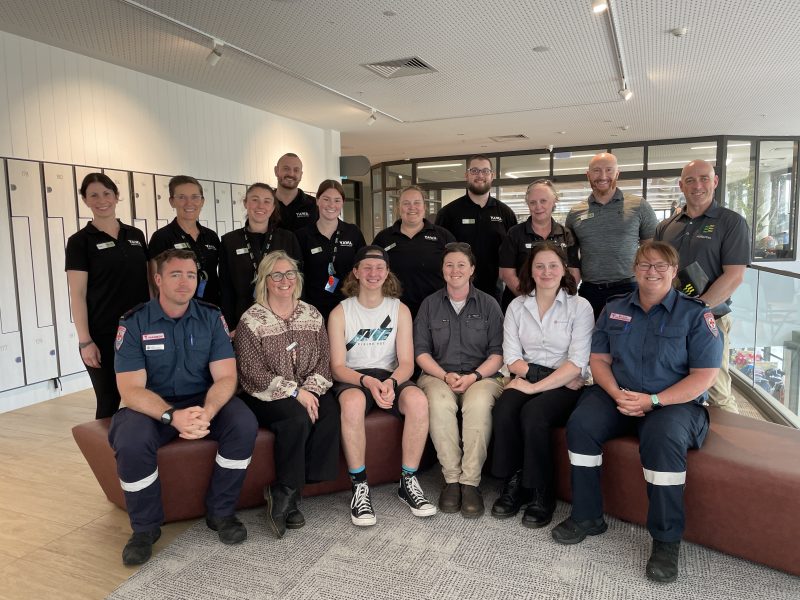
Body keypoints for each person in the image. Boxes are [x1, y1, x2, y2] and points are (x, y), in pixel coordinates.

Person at [552, 241, 723, 584]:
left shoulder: (696, 313)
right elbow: (599, 360)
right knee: (582, 424)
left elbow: (704, 376)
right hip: (620, 392)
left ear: (674, 272)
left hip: (673, 403)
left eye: (661, 266)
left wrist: (653, 401)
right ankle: (588, 516)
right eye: (645, 265)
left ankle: (665, 540)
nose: (652, 272)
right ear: (634, 270)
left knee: (661, 440)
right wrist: (616, 393)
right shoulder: (615, 308)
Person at [110, 249, 257, 566]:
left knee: (243, 423)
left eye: (191, 275)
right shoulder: (134, 322)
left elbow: (226, 376)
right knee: (129, 439)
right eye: (176, 274)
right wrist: (171, 416)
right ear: (158, 279)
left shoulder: (210, 317)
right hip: (152, 406)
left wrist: (209, 411)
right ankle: (145, 529)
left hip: (203, 400)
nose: (184, 282)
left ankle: (221, 512)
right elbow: (130, 389)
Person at [328, 246, 437, 526]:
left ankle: (408, 481)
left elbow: (407, 363)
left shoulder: (399, 309)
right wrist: (367, 381)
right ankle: (360, 486)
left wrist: (389, 382)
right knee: (351, 404)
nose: (373, 273)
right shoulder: (340, 312)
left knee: (418, 401)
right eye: (366, 267)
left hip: (390, 374)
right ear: (356, 272)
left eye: (379, 268)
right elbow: (337, 367)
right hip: (355, 377)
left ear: (387, 272)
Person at [234, 251, 340, 538]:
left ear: (298, 279)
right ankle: (289, 496)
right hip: (265, 392)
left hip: (309, 386)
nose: (284, 280)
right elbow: (251, 372)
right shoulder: (251, 320)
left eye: (290, 274)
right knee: (296, 419)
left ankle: (286, 491)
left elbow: (323, 362)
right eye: (276, 275)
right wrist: (295, 392)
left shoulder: (312, 313)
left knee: (330, 412)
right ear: (265, 281)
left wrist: (309, 390)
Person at [491, 242, 593, 527]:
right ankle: (515, 483)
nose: (546, 272)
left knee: (534, 413)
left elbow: (577, 364)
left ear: (564, 270)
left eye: (553, 266)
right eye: (539, 266)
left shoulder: (580, 307)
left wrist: (534, 386)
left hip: (566, 388)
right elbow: (512, 359)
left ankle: (541, 491)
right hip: (533, 376)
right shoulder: (517, 306)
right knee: (504, 408)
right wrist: (536, 377)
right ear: (531, 271)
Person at [414, 242, 504, 517]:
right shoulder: (429, 305)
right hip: (437, 375)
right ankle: (452, 480)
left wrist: (474, 376)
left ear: (472, 270)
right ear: (442, 270)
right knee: (440, 405)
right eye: (449, 264)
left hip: (482, 376)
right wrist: (443, 375)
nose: (455, 270)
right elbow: (420, 352)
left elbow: (499, 353)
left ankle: (470, 482)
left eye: (461, 265)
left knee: (476, 406)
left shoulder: (489, 304)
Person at [655, 159, 750, 414]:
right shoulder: (666, 226)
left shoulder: (732, 223)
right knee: (675, 382)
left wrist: (698, 308)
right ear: (681, 186)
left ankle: (731, 450)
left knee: (717, 389)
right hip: (671, 318)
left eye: (704, 178)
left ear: (715, 181)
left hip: (710, 318)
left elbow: (734, 276)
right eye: (690, 180)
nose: (697, 185)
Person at [66, 172, 150, 419]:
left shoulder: (135, 235)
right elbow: (77, 294)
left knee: (147, 394)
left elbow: (149, 282)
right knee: (108, 399)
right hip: (104, 333)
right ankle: (106, 456)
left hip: (141, 329)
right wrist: (85, 341)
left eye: (106, 193)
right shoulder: (80, 242)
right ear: (85, 200)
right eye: (93, 195)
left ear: (116, 196)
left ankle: (141, 453)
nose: (101, 200)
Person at [565, 152, 658, 319]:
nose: (603, 176)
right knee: (592, 342)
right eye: (596, 171)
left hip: (629, 289)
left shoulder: (639, 206)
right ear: (588, 175)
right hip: (589, 291)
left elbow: (652, 251)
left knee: (627, 341)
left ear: (617, 173)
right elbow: (571, 258)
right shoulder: (575, 213)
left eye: (609, 170)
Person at [218, 182, 301, 332]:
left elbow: (298, 281)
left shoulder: (287, 238)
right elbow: (226, 288)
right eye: (255, 200)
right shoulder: (230, 241)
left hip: (283, 317)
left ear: (273, 206)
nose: (260, 206)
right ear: (245, 203)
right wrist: (230, 326)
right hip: (242, 319)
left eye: (267, 201)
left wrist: (297, 318)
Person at [435, 154, 517, 303]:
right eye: (474, 171)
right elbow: (437, 253)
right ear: (466, 175)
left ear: (492, 176)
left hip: (494, 292)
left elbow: (514, 254)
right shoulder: (448, 213)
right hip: (456, 291)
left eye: (485, 171)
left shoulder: (506, 213)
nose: (480, 175)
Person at [373, 185, 456, 317]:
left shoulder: (443, 236)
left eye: (417, 203)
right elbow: (373, 273)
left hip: (436, 311)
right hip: (394, 311)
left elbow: (456, 271)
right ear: (398, 208)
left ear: (424, 207)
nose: (412, 207)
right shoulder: (383, 238)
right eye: (406, 203)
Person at [499, 179, 579, 311]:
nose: (538, 206)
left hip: (558, 307)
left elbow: (573, 272)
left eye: (543, 201)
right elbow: (507, 273)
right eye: (532, 202)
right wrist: (530, 301)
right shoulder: (514, 233)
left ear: (554, 202)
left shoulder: (566, 234)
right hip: (520, 304)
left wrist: (559, 300)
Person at [295, 180, 366, 321]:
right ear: (317, 201)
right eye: (326, 199)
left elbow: (363, 267)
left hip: (349, 306)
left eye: (337, 200)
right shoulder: (302, 235)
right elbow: (297, 274)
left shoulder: (353, 232)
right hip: (312, 309)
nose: (331, 205)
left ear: (342, 203)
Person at [148, 175, 222, 306]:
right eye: (181, 197)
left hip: (211, 310)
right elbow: (156, 284)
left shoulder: (211, 236)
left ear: (202, 201)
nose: (189, 203)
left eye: (195, 197)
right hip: (179, 312)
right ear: (172, 201)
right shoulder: (162, 237)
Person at [274, 153, 318, 231]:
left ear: (301, 175)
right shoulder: (264, 204)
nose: (291, 174)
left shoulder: (315, 205)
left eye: (296, 170)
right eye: (286, 168)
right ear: (276, 171)